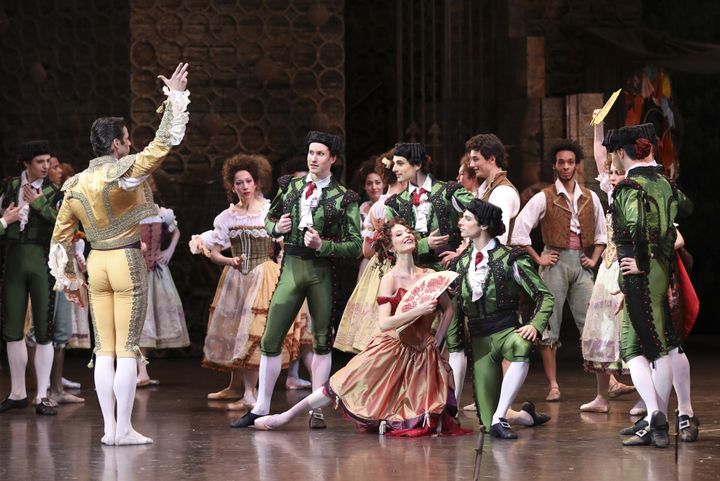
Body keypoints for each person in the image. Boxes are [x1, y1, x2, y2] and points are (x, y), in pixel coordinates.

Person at [48, 62, 190, 445]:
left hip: (96, 264)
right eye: (127, 140)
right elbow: (162, 146)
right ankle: (122, 429)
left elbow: (60, 237)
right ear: (115, 144)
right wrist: (174, 96)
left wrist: (71, 280)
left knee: (103, 349)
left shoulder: (76, 183)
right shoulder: (123, 171)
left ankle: (110, 428)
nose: (130, 145)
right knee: (126, 349)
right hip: (126, 260)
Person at [253, 220, 468, 437]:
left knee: (420, 413)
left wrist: (437, 341)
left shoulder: (429, 274)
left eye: (408, 232)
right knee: (342, 384)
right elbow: (384, 324)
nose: (407, 236)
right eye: (399, 234)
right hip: (394, 346)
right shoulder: (390, 279)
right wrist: (417, 311)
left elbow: (448, 309)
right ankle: (287, 415)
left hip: (423, 353)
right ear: (391, 247)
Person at [232, 131, 362, 429]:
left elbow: (355, 245)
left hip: (320, 271)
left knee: (321, 342)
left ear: (332, 159)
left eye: (319, 154)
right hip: (290, 265)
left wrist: (323, 245)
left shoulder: (345, 198)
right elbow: (268, 219)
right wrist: (277, 226)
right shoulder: (290, 186)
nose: (313, 158)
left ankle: (315, 409)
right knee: (271, 337)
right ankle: (261, 407)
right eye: (311, 152)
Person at [190, 154, 313, 411]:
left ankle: (249, 392)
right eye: (239, 183)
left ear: (257, 183)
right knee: (235, 331)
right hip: (236, 279)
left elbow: (283, 244)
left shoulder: (269, 210)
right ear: (232, 186)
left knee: (254, 331)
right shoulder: (227, 216)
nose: (244, 187)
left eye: (248, 181)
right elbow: (213, 251)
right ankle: (235, 386)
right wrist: (229, 261)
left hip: (264, 275)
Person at [603, 123, 693, 447]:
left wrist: (641, 258)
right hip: (660, 270)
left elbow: (638, 226)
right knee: (662, 342)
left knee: (645, 349)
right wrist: (661, 249)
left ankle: (657, 417)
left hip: (639, 271)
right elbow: (686, 207)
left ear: (622, 153)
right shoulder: (665, 184)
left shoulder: (630, 187)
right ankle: (663, 417)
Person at [511, 140, 607, 402]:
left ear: (577, 165)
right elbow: (519, 232)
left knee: (592, 321)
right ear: (554, 165)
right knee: (548, 323)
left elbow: (602, 233)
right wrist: (539, 259)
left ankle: (606, 384)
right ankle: (553, 385)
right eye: (561, 162)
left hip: (581, 262)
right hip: (555, 262)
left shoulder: (590, 196)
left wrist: (595, 258)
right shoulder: (545, 196)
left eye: (570, 162)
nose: (566, 166)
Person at [384, 142, 474, 409]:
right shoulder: (395, 203)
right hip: (414, 273)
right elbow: (389, 247)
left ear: (418, 165)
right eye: (395, 163)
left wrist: (463, 247)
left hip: (447, 271)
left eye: (401, 163)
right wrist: (423, 245)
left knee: (454, 336)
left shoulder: (448, 191)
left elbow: (480, 213)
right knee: (410, 337)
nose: (395, 169)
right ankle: (411, 398)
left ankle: (451, 402)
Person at [455, 199, 554, 438]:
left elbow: (545, 295)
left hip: (506, 331)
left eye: (467, 218)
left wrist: (535, 324)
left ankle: (501, 417)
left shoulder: (511, 259)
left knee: (521, 345)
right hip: (479, 340)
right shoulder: (461, 263)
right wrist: (455, 346)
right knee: (487, 426)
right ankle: (523, 416)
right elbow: (456, 308)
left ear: (484, 226)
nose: (461, 222)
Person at [580, 110, 637, 414]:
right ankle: (602, 396)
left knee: (627, 330)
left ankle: (643, 397)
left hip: (625, 266)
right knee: (601, 329)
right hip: (608, 268)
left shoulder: (634, 194)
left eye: (617, 173)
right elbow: (598, 155)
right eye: (610, 174)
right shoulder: (613, 194)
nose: (612, 177)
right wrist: (597, 126)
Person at [0, 140, 60, 416]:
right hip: (13, 260)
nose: (46, 166)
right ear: (26, 163)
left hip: (42, 261)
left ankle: (43, 395)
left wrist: (40, 206)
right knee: (12, 328)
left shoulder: (54, 191)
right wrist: (6, 220)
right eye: (40, 161)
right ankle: (17, 392)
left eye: (48, 161)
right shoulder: (9, 187)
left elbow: (63, 227)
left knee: (44, 329)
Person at [335, 149, 406, 353]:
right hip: (397, 267)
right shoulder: (405, 201)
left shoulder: (377, 207)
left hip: (380, 266)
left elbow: (367, 250)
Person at [136, 194, 190, 386]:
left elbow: (176, 232)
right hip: (136, 271)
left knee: (150, 322)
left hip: (157, 273)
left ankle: (143, 371)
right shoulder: (130, 211)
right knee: (140, 321)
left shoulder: (162, 213)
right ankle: (141, 371)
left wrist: (169, 251)